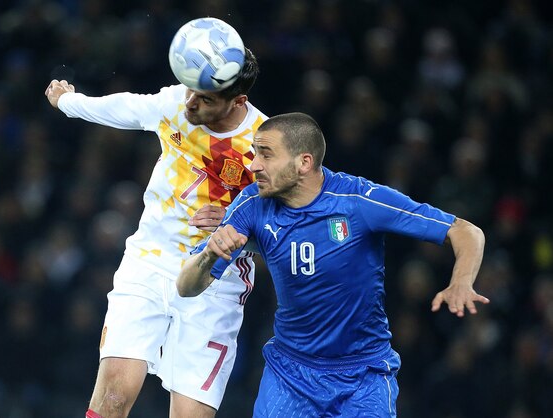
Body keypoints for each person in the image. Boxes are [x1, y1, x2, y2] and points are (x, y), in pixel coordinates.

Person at [177, 112, 490, 417]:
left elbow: (465, 231)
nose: (254, 165)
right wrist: (208, 256)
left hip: (363, 377)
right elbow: (186, 287)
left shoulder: (359, 201)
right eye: (254, 153)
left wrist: (461, 281)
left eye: (266, 155)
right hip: (290, 375)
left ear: (304, 162)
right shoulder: (252, 203)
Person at [45, 45, 265, 418]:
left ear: (236, 100)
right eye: (190, 90)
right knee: (113, 394)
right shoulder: (176, 103)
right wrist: (70, 102)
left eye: (205, 99)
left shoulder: (265, 144)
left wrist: (239, 225)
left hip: (217, 281)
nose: (191, 103)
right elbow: (126, 108)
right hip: (150, 258)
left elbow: (286, 224)